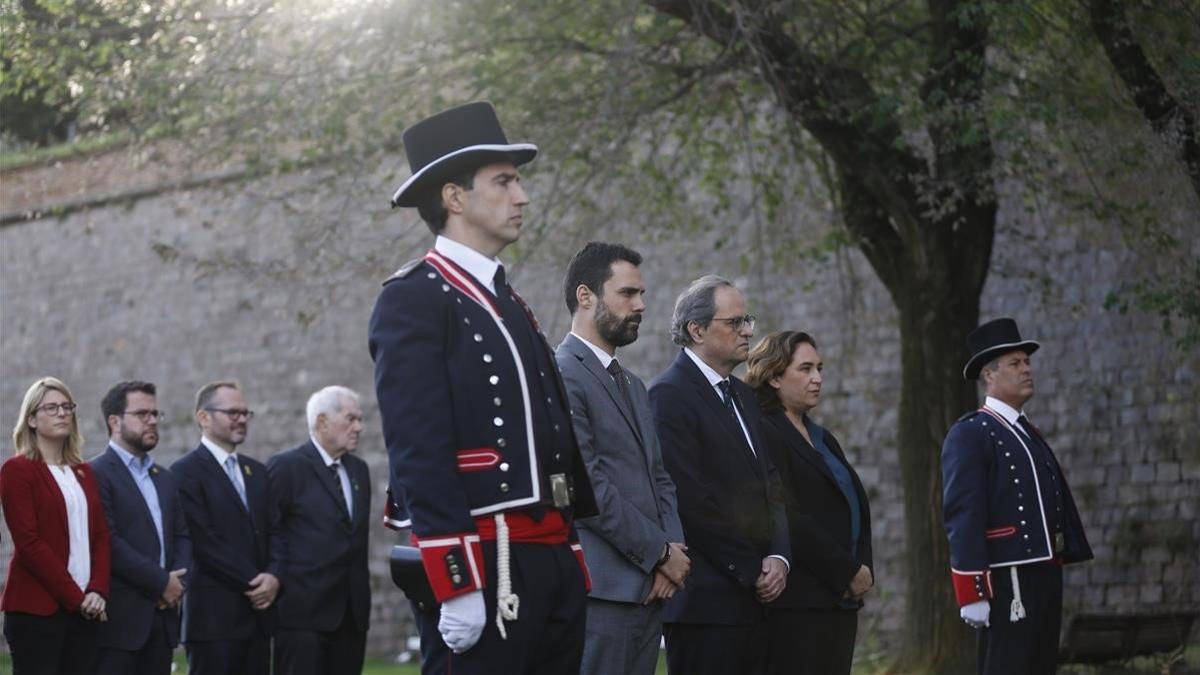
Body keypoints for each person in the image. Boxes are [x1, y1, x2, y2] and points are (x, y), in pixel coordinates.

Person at [369, 100, 597, 674]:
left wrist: (570, 555)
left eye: (518, 181)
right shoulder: (413, 297)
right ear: (454, 197)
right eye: (504, 181)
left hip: (548, 558)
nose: (522, 197)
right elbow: (417, 447)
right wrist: (455, 580)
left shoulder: (509, 299)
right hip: (487, 558)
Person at [554, 242, 690, 675]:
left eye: (642, 295)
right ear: (585, 296)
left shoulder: (632, 384)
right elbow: (587, 485)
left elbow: (659, 478)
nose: (641, 305)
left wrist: (673, 554)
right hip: (602, 593)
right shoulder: (561, 374)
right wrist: (658, 552)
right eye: (628, 294)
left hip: (652, 588)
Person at [647, 275, 790, 675]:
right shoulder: (668, 396)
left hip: (757, 601)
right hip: (706, 606)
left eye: (748, 320)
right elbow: (689, 499)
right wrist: (751, 568)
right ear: (697, 330)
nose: (748, 331)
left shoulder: (742, 395)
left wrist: (779, 556)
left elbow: (770, 483)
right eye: (735, 322)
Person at [942, 318, 1093, 675]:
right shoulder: (972, 433)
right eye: (1016, 363)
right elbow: (963, 514)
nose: (1027, 369)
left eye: (1027, 362)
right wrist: (972, 590)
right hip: (1007, 580)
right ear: (989, 375)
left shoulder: (1027, 432)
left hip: (1044, 573)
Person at [745, 331, 874, 675]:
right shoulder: (765, 430)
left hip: (840, 600)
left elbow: (853, 505)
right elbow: (785, 513)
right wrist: (845, 570)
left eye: (819, 368)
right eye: (805, 369)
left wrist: (862, 567)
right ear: (773, 376)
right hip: (800, 602)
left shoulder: (822, 436)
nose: (817, 378)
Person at [1, 377, 111, 674]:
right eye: (51, 408)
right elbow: (29, 543)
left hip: (87, 608)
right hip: (38, 609)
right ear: (32, 419)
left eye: (67, 407)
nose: (63, 413)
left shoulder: (84, 472)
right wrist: (77, 598)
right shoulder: (17, 470)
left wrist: (98, 590)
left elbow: (100, 536)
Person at [172, 381, 282, 675]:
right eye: (233, 413)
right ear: (203, 417)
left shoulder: (258, 472)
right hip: (213, 620)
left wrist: (273, 576)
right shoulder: (185, 473)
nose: (242, 419)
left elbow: (275, 531)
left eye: (246, 413)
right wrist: (255, 581)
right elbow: (204, 540)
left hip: (258, 617)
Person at [267, 386, 371, 675]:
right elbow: (268, 532)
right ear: (323, 421)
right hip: (302, 617)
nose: (359, 427)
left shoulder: (359, 470)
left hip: (351, 615)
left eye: (360, 419)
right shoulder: (286, 467)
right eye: (350, 419)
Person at [91, 380, 192, 675]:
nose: (152, 421)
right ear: (115, 421)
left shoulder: (165, 477)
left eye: (155, 414)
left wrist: (177, 585)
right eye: (142, 414)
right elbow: (109, 541)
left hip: (162, 621)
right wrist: (161, 583)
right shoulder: (95, 474)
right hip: (119, 624)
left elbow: (183, 536)